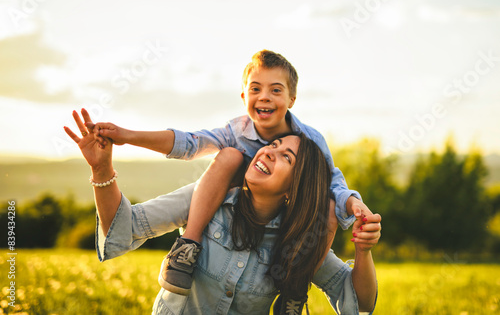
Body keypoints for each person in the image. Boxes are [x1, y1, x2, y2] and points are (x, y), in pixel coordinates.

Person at [87, 50, 374, 297]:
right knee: (229, 156)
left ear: (292, 99)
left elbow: (332, 181)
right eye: (255, 89)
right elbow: (191, 142)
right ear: (243, 95)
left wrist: (352, 204)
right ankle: (189, 245)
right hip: (233, 196)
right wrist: (127, 136)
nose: (264, 97)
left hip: (290, 211)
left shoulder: (308, 141)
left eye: (276, 90)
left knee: (329, 205)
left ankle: (295, 287)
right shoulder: (235, 132)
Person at [64, 110, 381, 315]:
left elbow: (358, 302)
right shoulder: (207, 199)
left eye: (286, 156)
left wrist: (363, 251)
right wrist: (102, 167)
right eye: (274, 144)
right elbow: (123, 229)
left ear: (293, 190)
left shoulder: (298, 240)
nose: (269, 152)